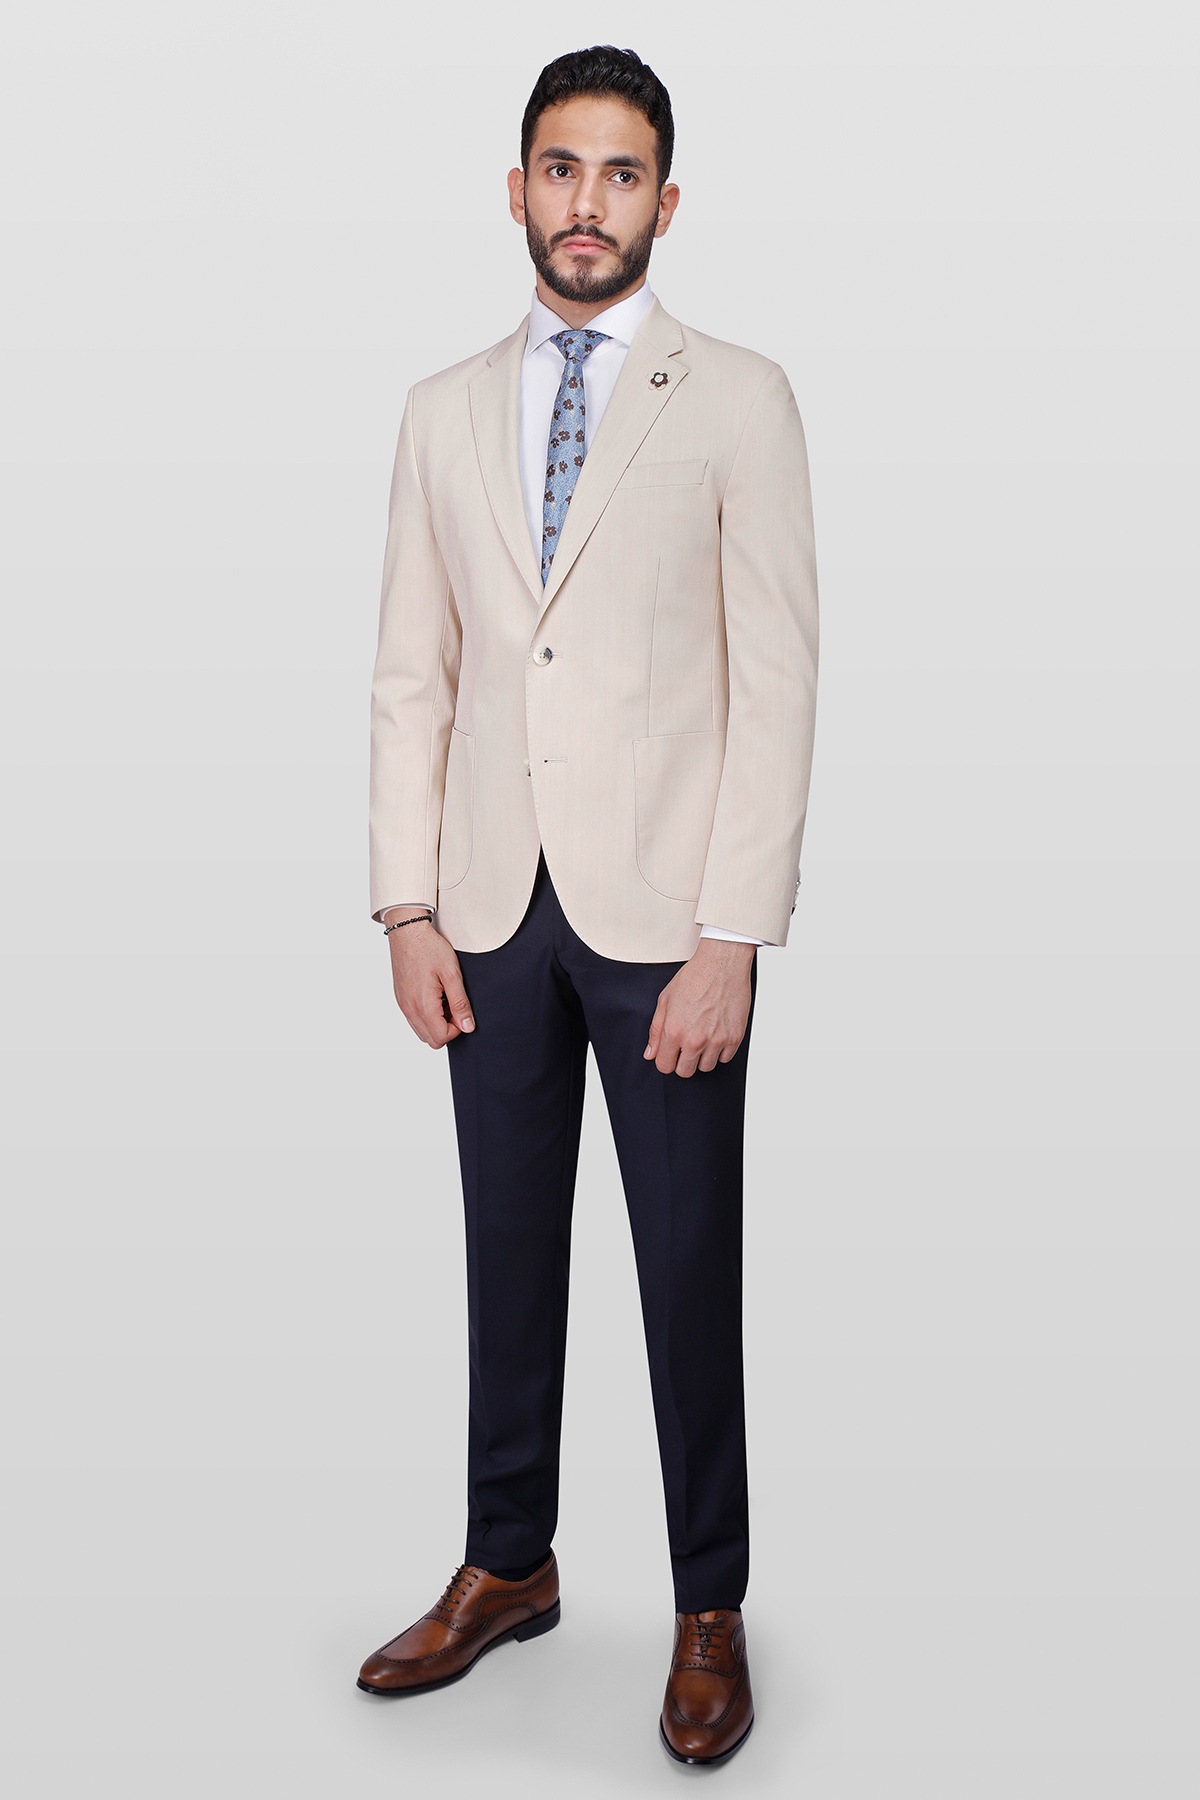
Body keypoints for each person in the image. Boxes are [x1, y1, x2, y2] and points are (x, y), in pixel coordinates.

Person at [357, 44, 819, 1768]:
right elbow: (412, 673)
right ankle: (510, 1562)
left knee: (688, 1265)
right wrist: (407, 905)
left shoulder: (742, 399)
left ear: (666, 203)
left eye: (621, 174)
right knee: (505, 1251)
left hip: (667, 923)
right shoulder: (439, 409)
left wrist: (734, 935)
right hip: (490, 909)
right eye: (561, 168)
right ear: (516, 188)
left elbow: (778, 680)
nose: (586, 202)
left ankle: (710, 1603)